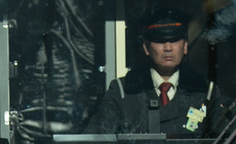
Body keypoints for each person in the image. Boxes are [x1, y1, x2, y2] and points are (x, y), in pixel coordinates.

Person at [87, 11, 227, 136]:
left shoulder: (205, 91)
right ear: (146, 48)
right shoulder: (122, 91)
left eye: (174, 40)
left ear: (185, 47)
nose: (168, 48)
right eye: (160, 41)